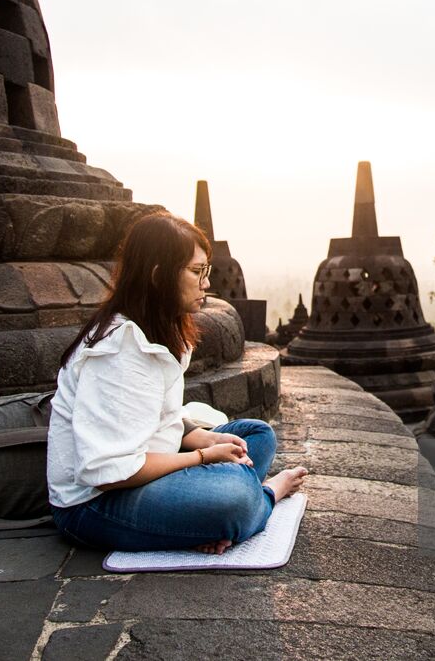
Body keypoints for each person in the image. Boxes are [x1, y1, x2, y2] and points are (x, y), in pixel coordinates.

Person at [47, 211, 307, 554]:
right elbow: (108, 472)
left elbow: (159, 413)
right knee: (236, 498)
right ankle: (265, 496)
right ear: (160, 276)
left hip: (151, 460)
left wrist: (203, 437)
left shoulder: (160, 328)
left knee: (257, 436)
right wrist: (203, 457)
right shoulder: (120, 351)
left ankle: (200, 518)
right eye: (197, 272)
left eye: (206, 272)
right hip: (95, 503)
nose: (206, 284)